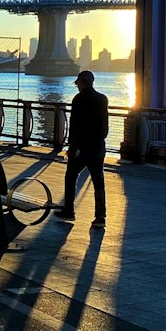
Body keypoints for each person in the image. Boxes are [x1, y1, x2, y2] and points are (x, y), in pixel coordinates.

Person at [53, 70, 108, 228]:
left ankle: (69, 210)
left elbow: (75, 126)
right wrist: (100, 141)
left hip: (82, 148)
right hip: (98, 147)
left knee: (71, 176)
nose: (77, 86)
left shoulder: (78, 99)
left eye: (78, 83)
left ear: (81, 83)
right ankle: (100, 216)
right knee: (98, 182)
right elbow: (104, 126)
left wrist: (73, 148)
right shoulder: (103, 99)